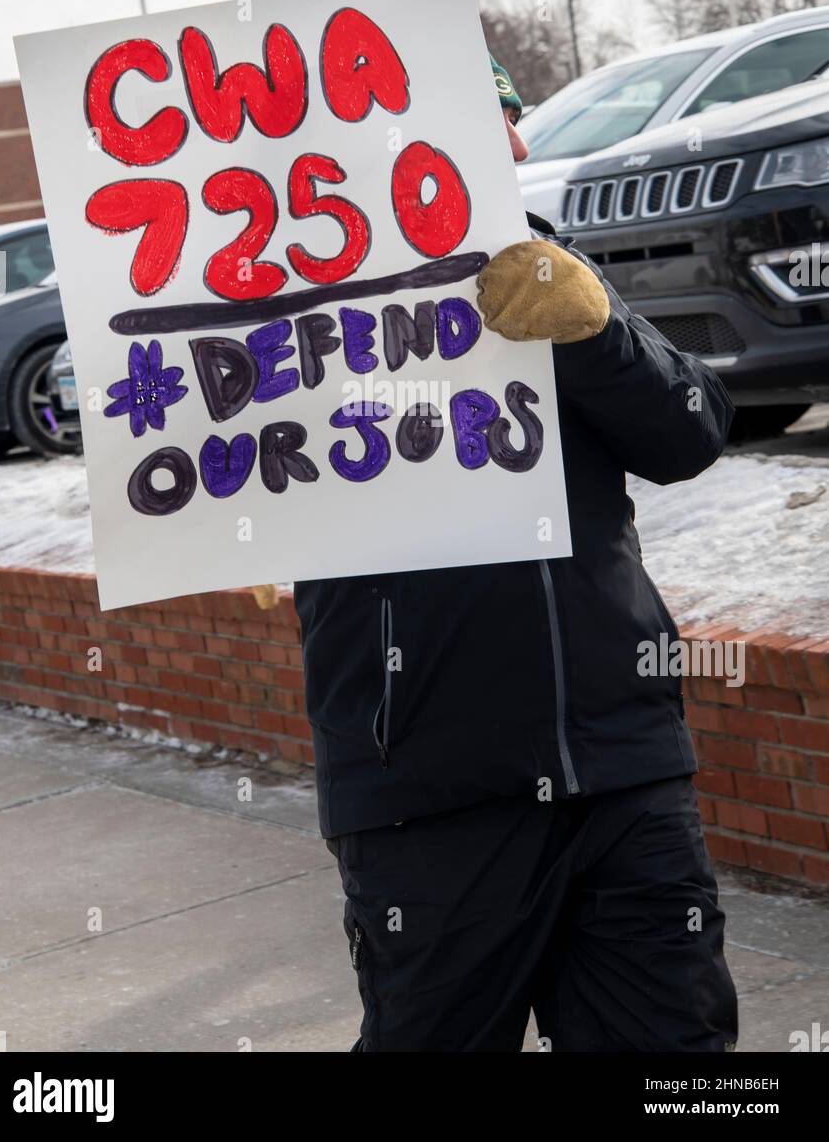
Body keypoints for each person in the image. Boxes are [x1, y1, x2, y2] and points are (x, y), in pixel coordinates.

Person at [293, 56, 739, 1053]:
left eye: (513, 117)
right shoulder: (290, 313)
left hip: (619, 769)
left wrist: (595, 332)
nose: (519, 145)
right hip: (424, 792)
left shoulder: (539, 263)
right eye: (491, 119)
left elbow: (688, 433)